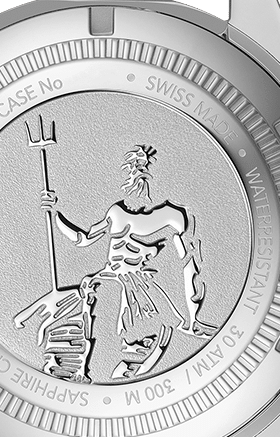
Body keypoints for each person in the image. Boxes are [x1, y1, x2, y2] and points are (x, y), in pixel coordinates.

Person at [16, 144, 216, 382]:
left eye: (143, 167)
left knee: (142, 329)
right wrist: (55, 213)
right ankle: (80, 369)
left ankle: (108, 365)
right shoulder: (116, 212)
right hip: (109, 277)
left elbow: (188, 263)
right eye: (134, 167)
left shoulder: (172, 217)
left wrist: (192, 316)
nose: (137, 173)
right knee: (100, 298)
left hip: (141, 284)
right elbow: (83, 239)